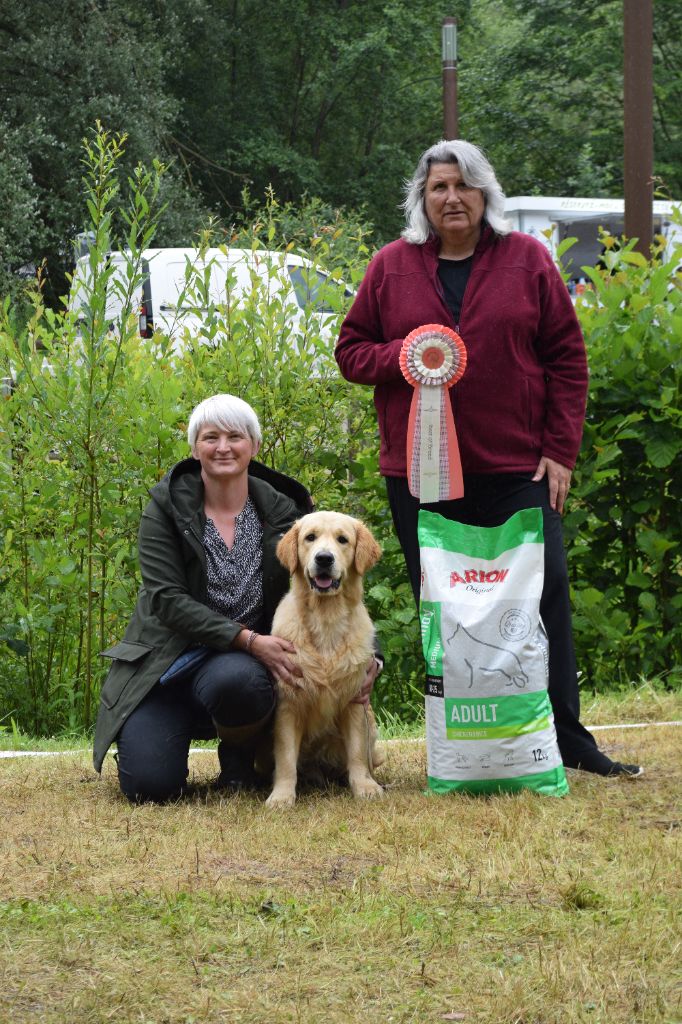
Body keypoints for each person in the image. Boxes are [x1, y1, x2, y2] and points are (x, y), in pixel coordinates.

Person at [335, 139, 642, 779]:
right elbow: (350, 351)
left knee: (543, 595)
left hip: (516, 471)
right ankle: (463, 746)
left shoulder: (528, 260)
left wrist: (559, 451)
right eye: (439, 187)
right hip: (420, 475)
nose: (452, 198)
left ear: (485, 195)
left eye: (464, 186)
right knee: (442, 609)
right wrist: (405, 356)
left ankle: (568, 740)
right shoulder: (390, 266)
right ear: (422, 197)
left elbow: (567, 359)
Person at [93, 394, 381, 802]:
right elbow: (166, 599)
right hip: (167, 664)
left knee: (240, 681)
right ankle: (157, 741)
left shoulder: (285, 512)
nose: (223, 447)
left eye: (235, 436)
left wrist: (374, 656)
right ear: (195, 448)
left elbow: (338, 587)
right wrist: (247, 639)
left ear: (254, 445)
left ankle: (238, 757)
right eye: (210, 437)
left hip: (236, 669)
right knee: (150, 788)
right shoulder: (165, 506)